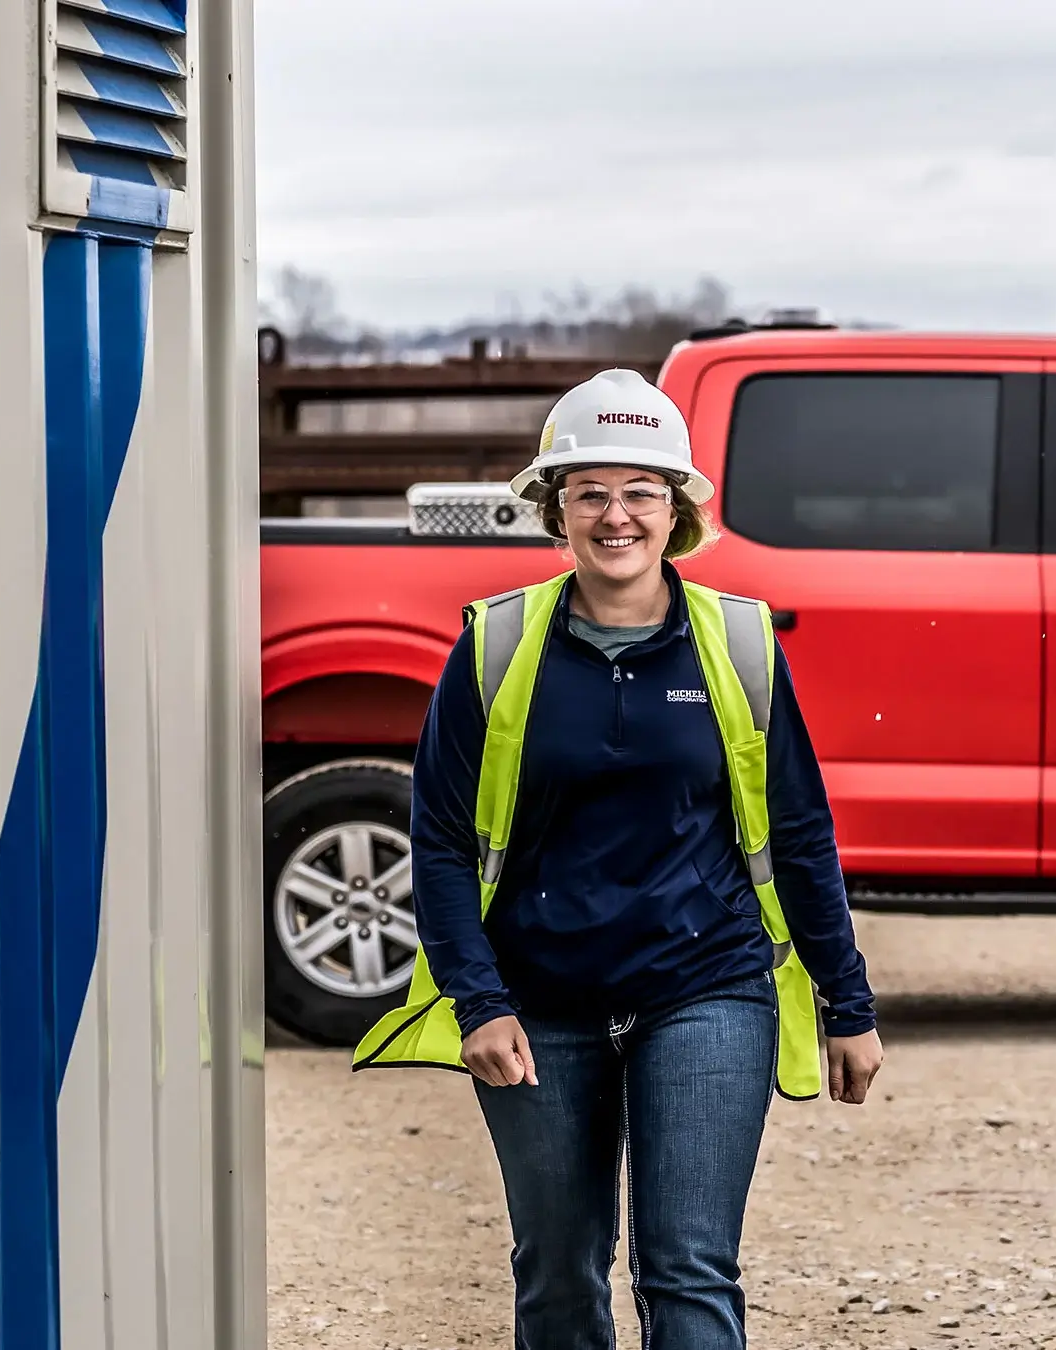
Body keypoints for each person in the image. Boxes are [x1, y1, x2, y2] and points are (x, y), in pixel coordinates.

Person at [351, 367, 885, 1348]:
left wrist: (848, 1003)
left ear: (675, 510)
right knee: (557, 1275)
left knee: (688, 1271)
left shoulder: (741, 643)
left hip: (708, 987)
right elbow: (437, 840)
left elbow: (802, 834)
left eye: (641, 491)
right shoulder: (497, 647)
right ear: (556, 508)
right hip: (540, 1002)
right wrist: (481, 1001)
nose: (616, 516)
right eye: (590, 491)